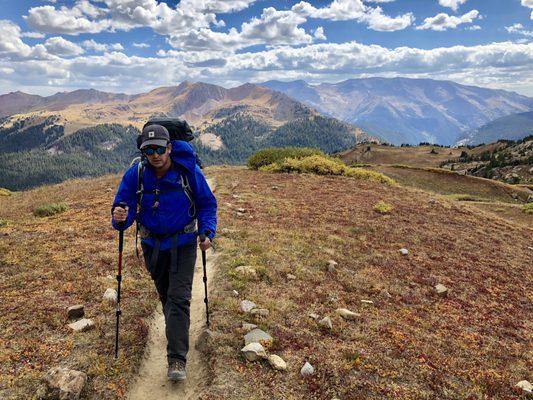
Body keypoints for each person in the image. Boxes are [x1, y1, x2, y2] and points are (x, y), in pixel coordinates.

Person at [110, 124, 217, 381]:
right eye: (149, 150)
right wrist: (120, 217)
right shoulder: (135, 174)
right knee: (166, 295)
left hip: (183, 243)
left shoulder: (188, 171)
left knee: (178, 297)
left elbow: (206, 204)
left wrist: (207, 232)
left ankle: (177, 360)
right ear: (143, 151)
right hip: (152, 246)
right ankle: (175, 330)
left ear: (169, 148)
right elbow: (124, 208)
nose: (155, 154)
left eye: (159, 148)